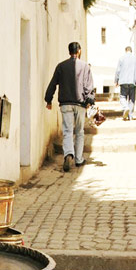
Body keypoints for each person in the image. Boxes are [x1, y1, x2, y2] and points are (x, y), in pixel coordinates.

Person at [44, 41, 94, 172]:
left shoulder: (61, 66)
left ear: (69, 52)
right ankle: (78, 159)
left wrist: (48, 100)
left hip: (65, 104)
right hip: (80, 104)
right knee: (79, 132)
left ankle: (68, 155)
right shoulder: (85, 67)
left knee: (67, 131)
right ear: (79, 51)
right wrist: (90, 101)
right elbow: (89, 86)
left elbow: (53, 83)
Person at [114, 46, 136, 120]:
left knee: (123, 97)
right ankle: (130, 115)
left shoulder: (121, 59)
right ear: (131, 51)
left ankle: (125, 107)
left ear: (125, 51)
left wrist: (116, 81)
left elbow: (118, 71)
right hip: (133, 81)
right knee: (132, 99)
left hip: (123, 81)